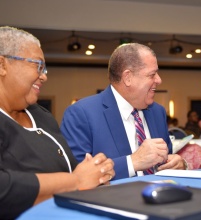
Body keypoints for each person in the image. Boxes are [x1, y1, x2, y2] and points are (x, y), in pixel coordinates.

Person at [0, 26, 115, 219]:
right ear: (2, 65)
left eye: (44, 68)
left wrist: (97, 172)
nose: (44, 76)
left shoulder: (41, 116)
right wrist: (76, 181)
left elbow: (71, 169)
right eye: (37, 65)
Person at [60, 43, 186, 180]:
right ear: (128, 78)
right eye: (152, 74)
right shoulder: (81, 114)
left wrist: (178, 164)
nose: (159, 80)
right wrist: (132, 162)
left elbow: (166, 161)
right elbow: (75, 176)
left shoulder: (158, 112)